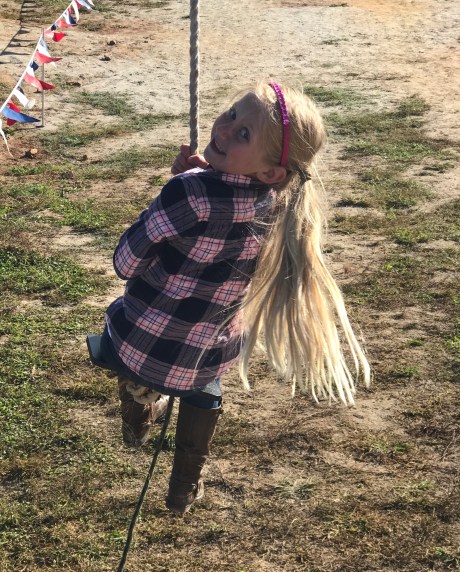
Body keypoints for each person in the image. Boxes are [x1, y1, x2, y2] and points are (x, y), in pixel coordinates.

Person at [96, 81, 370, 515]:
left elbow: (125, 263)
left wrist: (181, 185)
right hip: (202, 357)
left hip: (140, 346)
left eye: (243, 133)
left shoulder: (188, 193)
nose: (224, 129)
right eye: (231, 114)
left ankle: (137, 404)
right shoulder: (277, 204)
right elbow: (224, 200)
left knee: (130, 331)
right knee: (208, 364)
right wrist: (203, 175)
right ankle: (184, 486)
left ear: (271, 171)